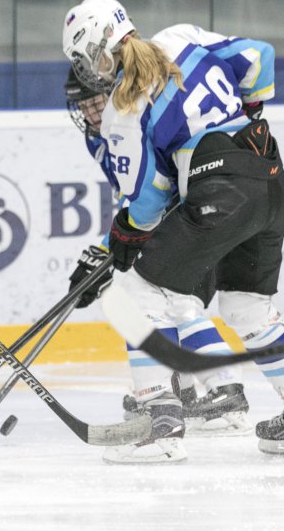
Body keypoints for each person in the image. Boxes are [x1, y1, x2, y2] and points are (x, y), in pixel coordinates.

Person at [62, 0, 284, 463]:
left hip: (220, 192)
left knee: (135, 292)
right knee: (246, 304)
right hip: (270, 177)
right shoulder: (181, 37)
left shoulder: (122, 111)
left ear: (96, 50)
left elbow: (148, 203)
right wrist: (247, 112)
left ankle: (159, 422)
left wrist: (122, 239)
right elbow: (259, 58)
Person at [64, 63, 252, 438]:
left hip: (193, 208)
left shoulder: (132, 116)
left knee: (170, 300)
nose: (89, 113)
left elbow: (155, 189)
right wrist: (110, 245)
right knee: (159, 298)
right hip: (168, 212)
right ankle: (181, 387)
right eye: (81, 106)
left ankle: (223, 387)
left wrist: (111, 245)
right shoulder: (97, 137)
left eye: (95, 103)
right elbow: (132, 194)